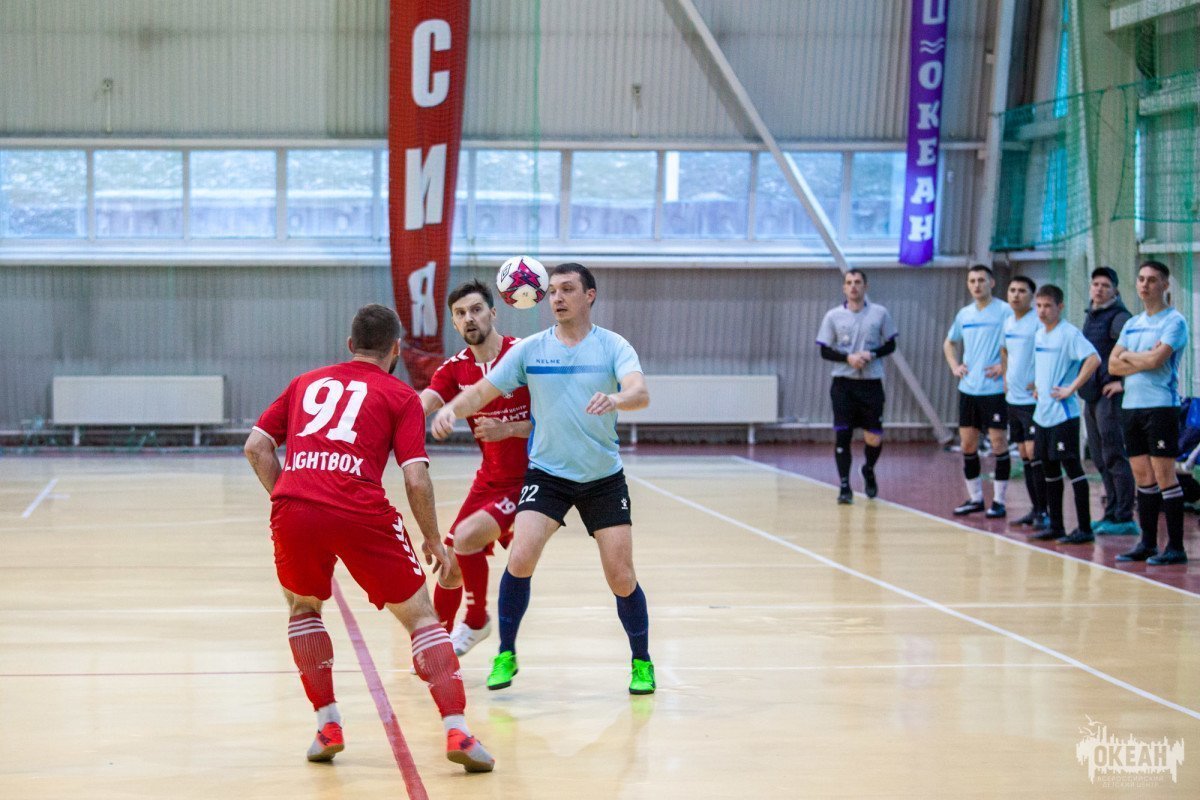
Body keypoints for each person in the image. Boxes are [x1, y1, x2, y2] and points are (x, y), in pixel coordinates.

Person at [243, 303, 494, 773]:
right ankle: (457, 728)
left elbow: (256, 447)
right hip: (360, 510)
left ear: (350, 345)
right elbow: (415, 478)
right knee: (421, 618)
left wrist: (288, 498)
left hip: (296, 507)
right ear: (396, 349)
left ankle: (327, 725)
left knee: (303, 608)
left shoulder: (304, 383)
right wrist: (433, 540)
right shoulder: (401, 395)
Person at [430, 263, 656, 695]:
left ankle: (641, 661)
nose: (557, 298)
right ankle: (506, 654)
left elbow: (639, 392)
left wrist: (616, 399)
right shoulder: (532, 349)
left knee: (621, 575)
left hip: (602, 477)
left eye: (567, 289)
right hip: (547, 475)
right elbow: (481, 392)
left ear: (589, 296)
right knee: (520, 558)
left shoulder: (613, 345)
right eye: (552, 291)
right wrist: (450, 410)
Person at [421, 280, 532, 656]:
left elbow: (556, 421)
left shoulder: (523, 355)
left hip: (532, 480)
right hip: (490, 479)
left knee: (471, 541)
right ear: (454, 323)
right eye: (460, 313)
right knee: (450, 566)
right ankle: (437, 646)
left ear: (493, 313)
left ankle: (477, 621)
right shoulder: (456, 369)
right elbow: (426, 401)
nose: (469, 318)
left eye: (476, 309)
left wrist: (510, 429)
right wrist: (396, 419)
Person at [1109, 261, 1191, 565]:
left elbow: (1158, 361)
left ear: (1165, 285)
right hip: (1132, 406)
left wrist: (1130, 357)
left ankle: (1176, 547)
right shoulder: (1132, 323)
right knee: (1142, 476)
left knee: (1164, 475)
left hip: (1160, 407)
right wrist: (1140, 357)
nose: (1145, 285)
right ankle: (1147, 543)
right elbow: (1112, 365)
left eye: (1152, 280)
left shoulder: (1174, 321)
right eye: (1141, 279)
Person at [1024, 285, 1100, 544]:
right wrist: (1038, 387)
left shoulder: (1069, 333)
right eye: (1039, 306)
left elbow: (1093, 359)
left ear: (1060, 307)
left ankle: (1084, 528)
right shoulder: (1039, 334)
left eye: (1047, 306)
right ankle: (1056, 525)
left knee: (1073, 468)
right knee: (1049, 469)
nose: (1042, 311)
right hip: (1042, 414)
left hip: (1063, 415)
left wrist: (1072, 387)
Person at [815, 269, 898, 504]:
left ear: (865, 287)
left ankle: (868, 469)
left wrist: (871, 354)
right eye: (849, 282)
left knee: (874, 437)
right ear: (844, 288)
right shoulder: (833, 316)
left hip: (871, 384)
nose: (853, 286)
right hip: (844, 384)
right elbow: (824, 350)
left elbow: (891, 345)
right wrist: (847, 358)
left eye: (858, 282)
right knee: (843, 434)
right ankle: (844, 486)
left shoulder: (879, 313)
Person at [944, 264, 1014, 517]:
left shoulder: (1005, 311)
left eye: (981, 280)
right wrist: (955, 366)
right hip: (969, 389)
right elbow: (950, 342)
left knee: (998, 443)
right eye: (972, 281)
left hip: (994, 390)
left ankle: (999, 501)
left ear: (991, 283)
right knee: (967, 444)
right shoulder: (964, 314)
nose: (976, 285)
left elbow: (1019, 342)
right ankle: (975, 498)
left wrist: (1004, 367)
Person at [1079, 267, 1139, 536]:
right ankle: (1111, 512)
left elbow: (1135, 353)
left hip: (1110, 397)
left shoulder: (1120, 318)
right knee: (1099, 456)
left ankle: (1124, 516)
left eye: (1105, 285)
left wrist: (1122, 383)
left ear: (1115, 290)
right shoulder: (1091, 315)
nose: (1099, 289)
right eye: (1096, 284)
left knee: (1114, 454)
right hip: (1091, 395)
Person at [999, 276, 1049, 529]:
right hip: (1013, 399)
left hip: (1032, 401)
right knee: (1023, 454)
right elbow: (1004, 350)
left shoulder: (1037, 322)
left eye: (1021, 291)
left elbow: (1047, 352)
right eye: (1012, 290)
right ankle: (1035, 509)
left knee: (1034, 452)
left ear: (1032, 296)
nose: (1016, 295)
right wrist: (1005, 377)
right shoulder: (1008, 321)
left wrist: (1041, 382)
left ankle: (1045, 512)